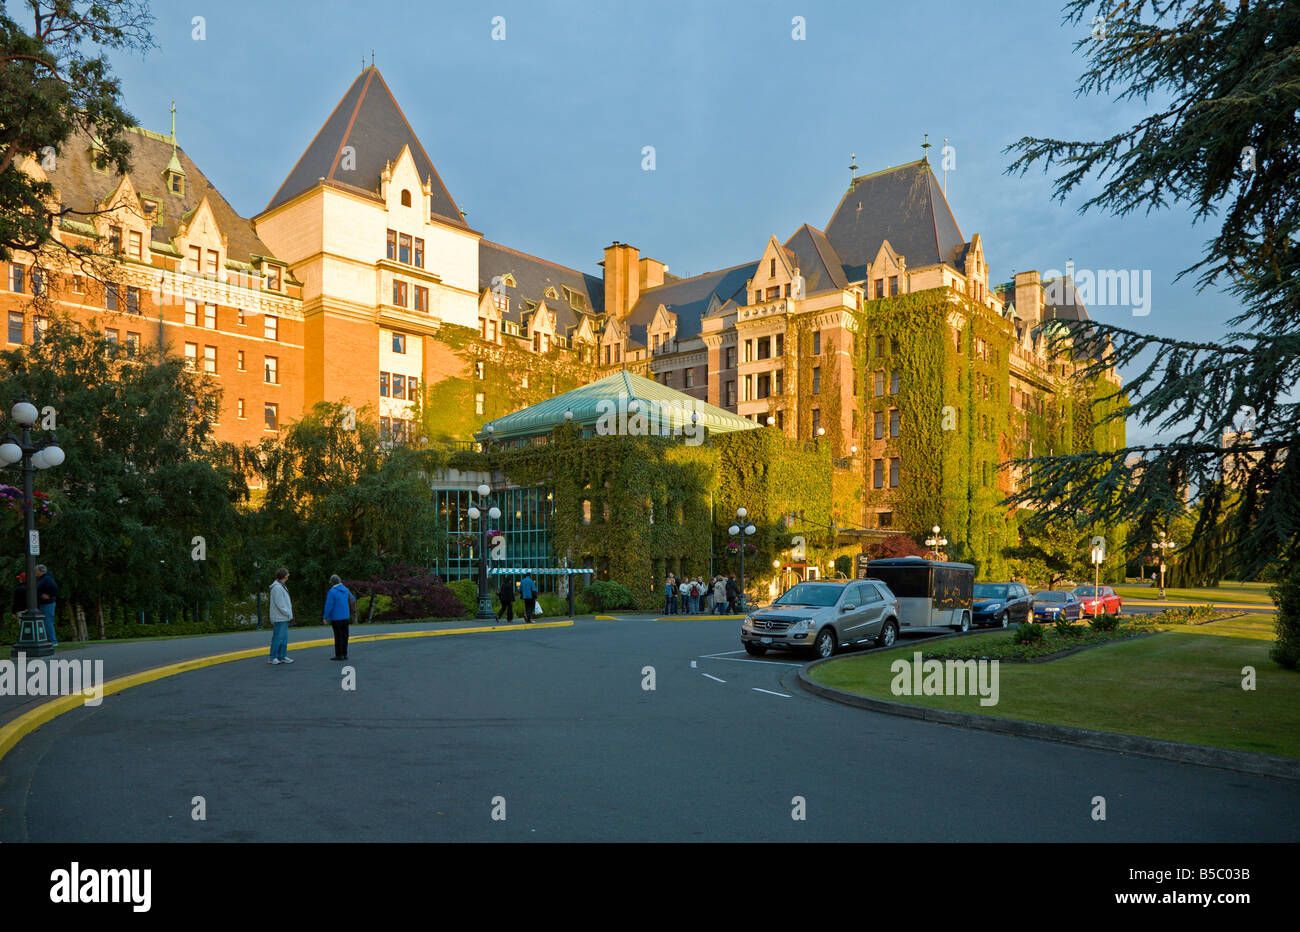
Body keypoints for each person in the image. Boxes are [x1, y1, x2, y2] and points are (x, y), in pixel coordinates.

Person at [323, 574, 355, 661]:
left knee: (338, 636)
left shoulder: (332, 591)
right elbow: (353, 600)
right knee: (345, 635)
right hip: (345, 616)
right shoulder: (346, 590)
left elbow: (329, 605)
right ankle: (345, 653)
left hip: (336, 617)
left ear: (332, 582)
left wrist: (325, 617)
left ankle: (339, 655)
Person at [268, 567, 294, 665]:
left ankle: (282, 656)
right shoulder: (277, 588)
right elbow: (280, 604)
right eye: (287, 574)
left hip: (283, 617)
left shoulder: (282, 586)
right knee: (278, 637)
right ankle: (273, 657)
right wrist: (287, 613)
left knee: (283, 638)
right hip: (280, 617)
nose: (288, 575)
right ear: (284, 576)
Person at [35, 564, 57, 646]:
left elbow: (54, 587)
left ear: (41, 571)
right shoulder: (42, 579)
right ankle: (48, 639)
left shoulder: (46, 578)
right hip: (43, 604)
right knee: (45, 622)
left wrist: (49, 595)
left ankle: (52, 641)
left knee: (48, 622)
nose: (35, 572)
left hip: (47, 604)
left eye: (36, 570)